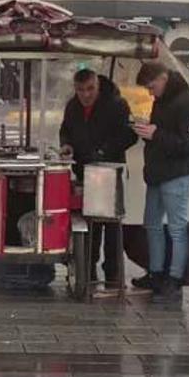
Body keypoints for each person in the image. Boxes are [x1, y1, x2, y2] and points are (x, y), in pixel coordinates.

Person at [132, 62, 189, 304]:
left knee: (176, 227)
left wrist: (156, 134)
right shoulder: (162, 101)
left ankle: (175, 279)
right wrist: (148, 132)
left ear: (164, 78)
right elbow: (163, 133)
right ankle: (156, 273)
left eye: (152, 87)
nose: (150, 93)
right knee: (152, 224)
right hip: (157, 173)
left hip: (178, 174)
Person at [59, 69, 139, 288]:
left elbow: (129, 134)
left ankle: (113, 276)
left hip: (110, 173)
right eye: (80, 90)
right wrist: (66, 145)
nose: (85, 95)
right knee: (89, 226)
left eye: (90, 89)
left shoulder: (116, 105)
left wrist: (104, 151)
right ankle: (88, 271)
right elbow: (65, 130)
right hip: (85, 172)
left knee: (112, 228)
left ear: (98, 86)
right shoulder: (72, 106)